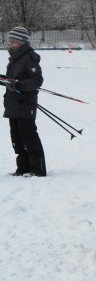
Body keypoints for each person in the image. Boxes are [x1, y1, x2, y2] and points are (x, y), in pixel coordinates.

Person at [2, 26, 47, 177]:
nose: (10, 44)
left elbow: (37, 81)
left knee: (29, 137)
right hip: (13, 104)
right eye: (10, 41)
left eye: (13, 41)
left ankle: (37, 169)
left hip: (25, 104)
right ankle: (23, 168)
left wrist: (19, 84)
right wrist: (4, 80)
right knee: (16, 138)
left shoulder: (29, 58)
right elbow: (12, 80)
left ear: (22, 42)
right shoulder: (14, 59)